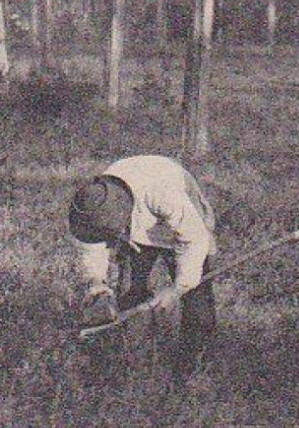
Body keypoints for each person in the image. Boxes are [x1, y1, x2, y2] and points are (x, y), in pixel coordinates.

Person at [68, 154, 218, 372]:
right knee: (130, 293)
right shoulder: (96, 202)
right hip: (137, 230)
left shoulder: (162, 193)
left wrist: (177, 289)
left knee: (198, 305)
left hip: (184, 230)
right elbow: (92, 245)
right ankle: (132, 362)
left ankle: (191, 370)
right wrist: (96, 283)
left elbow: (194, 239)